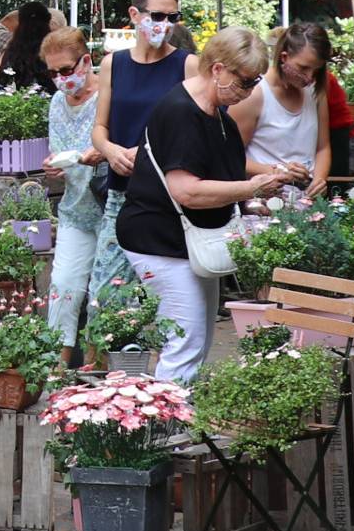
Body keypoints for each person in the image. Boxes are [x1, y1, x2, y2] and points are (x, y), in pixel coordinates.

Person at [115, 27, 297, 382]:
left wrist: (264, 184)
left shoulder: (217, 114)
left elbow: (221, 170)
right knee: (185, 343)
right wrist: (251, 189)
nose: (249, 91)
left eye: (255, 81)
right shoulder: (182, 113)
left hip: (190, 241)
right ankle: (165, 429)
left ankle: (176, 425)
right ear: (217, 69)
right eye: (244, 81)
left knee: (197, 342)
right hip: (159, 241)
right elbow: (187, 191)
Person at [89, 0, 199, 296]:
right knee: (103, 297)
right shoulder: (114, 64)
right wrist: (110, 151)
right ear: (135, 15)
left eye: (173, 18)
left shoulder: (188, 65)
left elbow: (197, 135)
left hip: (167, 199)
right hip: (121, 195)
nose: (165, 25)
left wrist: (150, 151)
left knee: (161, 303)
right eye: (158, 16)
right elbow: (99, 128)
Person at [38, 27, 109, 360]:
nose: (60, 78)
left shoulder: (107, 96)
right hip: (74, 208)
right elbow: (60, 153)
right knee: (64, 285)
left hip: (110, 207)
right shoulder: (56, 102)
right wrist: (54, 167)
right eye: (53, 72)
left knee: (105, 290)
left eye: (66, 70)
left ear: (86, 61)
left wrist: (100, 152)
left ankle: (95, 364)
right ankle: (58, 363)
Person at [231, 22, 332, 203]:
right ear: (284, 57)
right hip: (264, 204)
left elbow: (323, 146)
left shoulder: (316, 92)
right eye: (303, 68)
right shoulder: (255, 94)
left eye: (316, 70)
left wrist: (319, 178)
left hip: (307, 203)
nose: (309, 77)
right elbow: (229, 156)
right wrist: (278, 170)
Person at [0, 1, 55, 94]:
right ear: (48, 21)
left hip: (14, 103)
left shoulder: (8, 53)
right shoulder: (53, 50)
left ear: (19, 22)